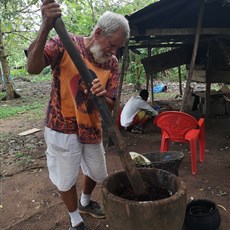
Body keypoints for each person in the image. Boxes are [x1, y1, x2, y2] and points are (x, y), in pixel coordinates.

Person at [26, 1, 130, 229]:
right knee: (65, 177)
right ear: (99, 32)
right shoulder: (64, 43)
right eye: (112, 45)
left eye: (117, 48)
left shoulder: (112, 63)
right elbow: (32, 68)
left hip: (92, 127)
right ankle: (75, 219)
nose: (114, 52)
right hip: (61, 127)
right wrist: (45, 25)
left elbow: (110, 104)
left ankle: (85, 201)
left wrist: (103, 97)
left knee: (97, 171)